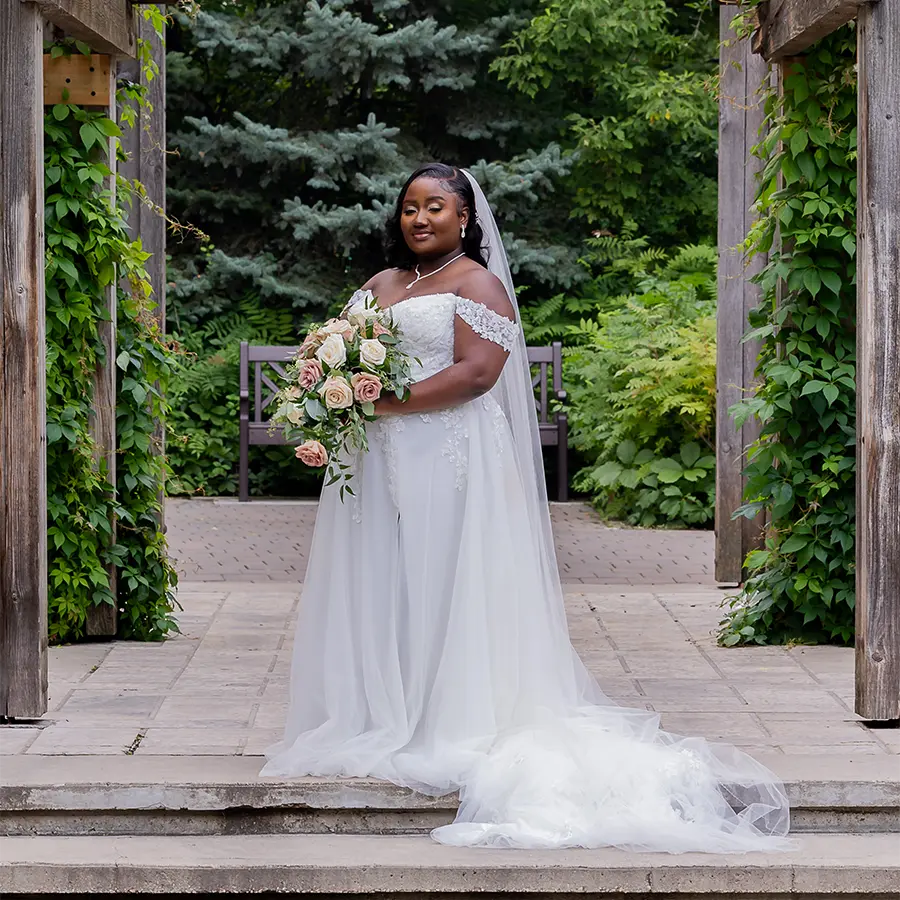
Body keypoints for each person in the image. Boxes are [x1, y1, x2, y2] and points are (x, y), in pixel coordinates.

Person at [261, 163, 790, 852]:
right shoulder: (380, 285)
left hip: (447, 457)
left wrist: (377, 400)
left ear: (464, 218)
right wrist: (330, 386)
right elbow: (335, 353)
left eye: (436, 207)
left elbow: (476, 375)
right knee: (384, 578)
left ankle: (449, 719)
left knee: (446, 576)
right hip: (378, 459)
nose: (419, 218)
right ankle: (379, 709)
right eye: (410, 208)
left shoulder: (477, 283)